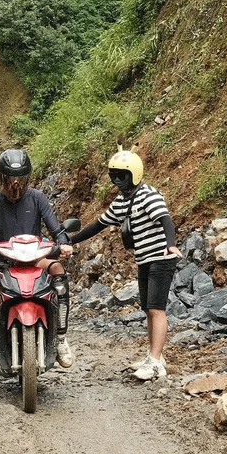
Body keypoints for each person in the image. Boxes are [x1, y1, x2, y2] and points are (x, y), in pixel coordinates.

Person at [0, 149, 72, 385]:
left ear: (27, 178)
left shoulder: (38, 198)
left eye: (19, 180)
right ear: (1, 178)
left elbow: (56, 229)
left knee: (58, 270)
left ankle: (60, 338)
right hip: (4, 266)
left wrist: (64, 243)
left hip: (36, 260)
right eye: (9, 180)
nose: (15, 185)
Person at [69, 149, 180, 381]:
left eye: (123, 175)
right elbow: (98, 225)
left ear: (135, 175)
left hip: (161, 257)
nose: (118, 181)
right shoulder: (121, 202)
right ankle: (153, 355)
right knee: (148, 309)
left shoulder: (149, 195)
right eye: (114, 175)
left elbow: (166, 220)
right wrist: (70, 240)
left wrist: (171, 245)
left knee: (157, 309)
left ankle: (157, 363)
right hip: (144, 260)